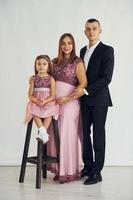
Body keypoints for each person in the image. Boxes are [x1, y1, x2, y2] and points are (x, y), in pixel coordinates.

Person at [71, 19, 114, 185]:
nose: (91, 31)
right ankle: (88, 167)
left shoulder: (107, 50)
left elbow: (106, 78)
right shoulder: (82, 51)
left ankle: (97, 172)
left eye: (94, 28)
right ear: (85, 32)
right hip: (83, 100)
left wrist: (86, 90)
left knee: (98, 135)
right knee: (84, 135)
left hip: (99, 100)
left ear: (100, 30)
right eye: (88, 29)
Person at [47, 33, 87, 183]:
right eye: (63, 43)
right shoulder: (54, 62)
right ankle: (58, 168)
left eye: (69, 43)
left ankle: (68, 171)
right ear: (59, 45)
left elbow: (83, 84)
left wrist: (67, 99)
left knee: (66, 134)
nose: (66, 46)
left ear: (73, 44)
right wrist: (33, 79)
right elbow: (46, 79)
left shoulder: (78, 62)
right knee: (54, 133)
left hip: (70, 103)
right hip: (55, 103)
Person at [25, 55, 59, 143]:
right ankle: (43, 131)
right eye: (38, 64)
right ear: (36, 66)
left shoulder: (51, 79)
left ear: (48, 66)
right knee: (33, 110)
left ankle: (42, 133)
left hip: (48, 102)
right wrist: (35, 100)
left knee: (50, 112)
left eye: (44, 64)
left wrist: (45, 101)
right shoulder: (34, 79)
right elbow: (30, 95)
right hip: (37, 103)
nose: (41, 66)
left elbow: (53, 95)